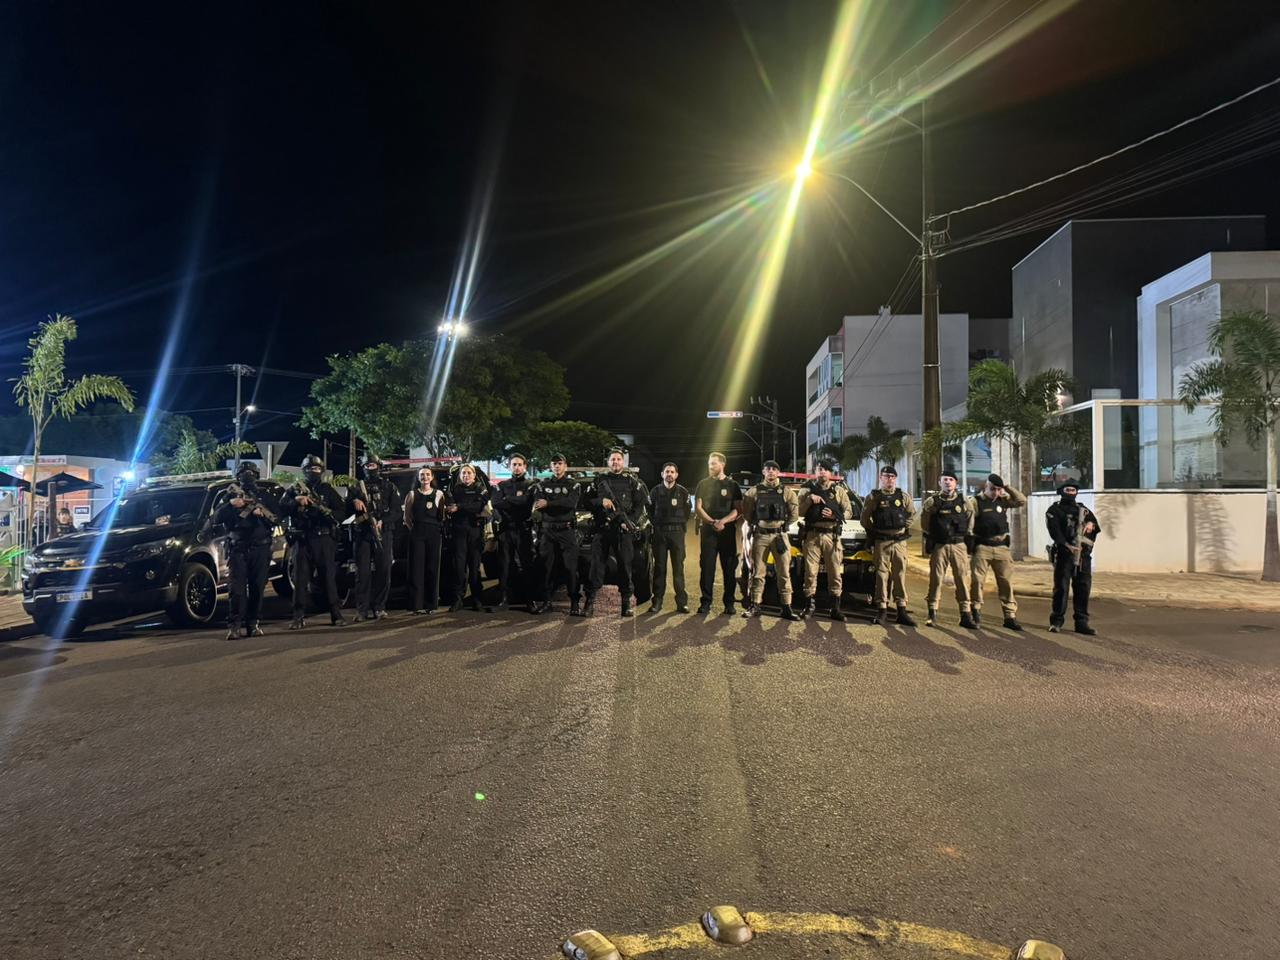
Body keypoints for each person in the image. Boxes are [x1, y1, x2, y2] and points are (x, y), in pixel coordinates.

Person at [281, 454, 349, 630]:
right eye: (310, 469)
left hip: (323, 539)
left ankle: (336, 614)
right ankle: (298, 616)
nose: (314, 471)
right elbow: (280, 508)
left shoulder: (327, 490)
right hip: (302, 539)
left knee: (328, 578)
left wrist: (328, 513)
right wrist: (295, 502)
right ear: (304, 471)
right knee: (300, 579)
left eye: (317, 468)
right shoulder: (294, 489)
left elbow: (341, 512)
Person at [216, 461, 279, 640]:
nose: (247, 476)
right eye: (243, 473)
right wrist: (231, 504)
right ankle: (235, 625)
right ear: (238, 477)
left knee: (257, 587)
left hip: (260, 547)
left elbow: (276, 518)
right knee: (236, 589)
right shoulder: (229, 495)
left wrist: (262, 514)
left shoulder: (265, 496)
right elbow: (216, 517)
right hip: (238, 547)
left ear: (256, 475)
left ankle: (253, 623)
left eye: (250, 473)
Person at [586, 448, 648, 618]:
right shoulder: (599, 480)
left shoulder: (631, 482)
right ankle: (590, 603)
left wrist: (630, 522)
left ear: (623, 462)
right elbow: (586, 501)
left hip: (622, 531)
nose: (616, 462)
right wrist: (601, 501)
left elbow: (640, 504)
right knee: (596, 567)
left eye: (618, 459)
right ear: (608, 462)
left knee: (625, 567)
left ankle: (626, 603)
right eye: (612, 459)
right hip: (602, 530)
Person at [967, 473, 1027, 630]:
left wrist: (1007, 488)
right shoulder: (975, 502)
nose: (996, 492)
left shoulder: (1003, 500)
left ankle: (1009, 616)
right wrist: (969, 545)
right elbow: (969, 524)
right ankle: (976, 610)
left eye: (998, 489)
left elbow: (1021, 501)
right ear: (986, 486)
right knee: (977, 581)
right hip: (982, 547)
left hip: (1001, 547)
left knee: (1005, 582)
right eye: (993, 489)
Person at [742, 459, 801, 620]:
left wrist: (783, 525)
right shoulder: (754, 491)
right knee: (758, 572)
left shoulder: (787, 492)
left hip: (779, 536)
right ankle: (755, 605)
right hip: (760, 535)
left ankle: (786, 607)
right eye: (768, 469)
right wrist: (756, 524)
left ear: (778, 472)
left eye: (774, 469)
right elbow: (747, 513)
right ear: (763, 472)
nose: (771, 472)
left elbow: (794, 515)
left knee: (784, 572)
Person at [797, 459, 853, 621]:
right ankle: (809, 606)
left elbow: (848, 511)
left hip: (831, 536)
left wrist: (835, 515)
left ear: (830, 473)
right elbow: (798, 511)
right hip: (812, 536)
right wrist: (809, 500)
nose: (822, 472)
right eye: (819, 469)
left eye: (826, 469)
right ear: (815, 472)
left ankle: (835, 608)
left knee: (835, 572)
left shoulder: (839, 491)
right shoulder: (806, 490)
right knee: (810, 572)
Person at [861, 465, 916, 626]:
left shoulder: (903, 496)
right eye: (886, 476)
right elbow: (865, 519)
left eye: (892, 476)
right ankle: (882, 609)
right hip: (882, 542)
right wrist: (875, 531)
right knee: (881, 575)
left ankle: (901, 610)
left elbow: (912, 514)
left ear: (895, 478)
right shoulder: (873, 497)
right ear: (881, 478)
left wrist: (902, 527)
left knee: (900, 575)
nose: (889, 479)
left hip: (899, 542)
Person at [920, 470, 976, 628]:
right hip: (940, 546)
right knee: (936, 579)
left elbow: (970, 520)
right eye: (945, 479)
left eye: (951, 479)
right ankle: (932, 613)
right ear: (940, 482)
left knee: (962, 579)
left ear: (955, 483)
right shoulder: (932, 502)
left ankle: (965, 614)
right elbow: (925, 523)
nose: (948, 482)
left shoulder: (964, 501)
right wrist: (934, 535)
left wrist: (968, 536)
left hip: (959, 545)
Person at [1045, 480, 1101, 635]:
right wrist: (1066, 545)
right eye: (1068, 490)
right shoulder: (1054, 510)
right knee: (1061, 589)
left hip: (1083, 556)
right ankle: (1056, 621)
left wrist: (1091, 525)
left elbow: (1095, 526)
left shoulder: (1083, 510)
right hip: (1064, 555)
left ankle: (1082, 623)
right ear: (1061, 491)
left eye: (1073, 490)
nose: (1071, 493)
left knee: (1083, 589)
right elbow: (1054, 531)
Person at [348, 453, 399, 622]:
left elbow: (396, 511)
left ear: (379, 466)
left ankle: (379, 607)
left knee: (384, 570)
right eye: (367, 465)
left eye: (373, 465)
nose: (370, 468)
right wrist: (353, 502)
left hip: (383, 533)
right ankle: (362, 610)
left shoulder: (389, 486)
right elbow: (344, 510)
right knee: (362, 573)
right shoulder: (356, 487)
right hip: (362, 534)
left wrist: (383, 521)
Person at [531, 454, 581, 615]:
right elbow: (538, 504)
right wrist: (554, 504)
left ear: (565, 466)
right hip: (547, 531)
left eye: (560, 463)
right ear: (551, 466)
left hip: (566, 531)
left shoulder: (573, 485)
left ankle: (574, 603)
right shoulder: (542, 485)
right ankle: (547, 602)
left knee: (570, 568)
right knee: (546, 568)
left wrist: (549, 503)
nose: (557, 466)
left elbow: (570, 503)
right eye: (554, 464)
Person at [694, 452, 742, 615]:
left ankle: (729, 603)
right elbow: (698, 508)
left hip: (727, 531)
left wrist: (723, 522)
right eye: (709, 463)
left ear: (722, 464)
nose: (710, 466)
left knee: (729, 569)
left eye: (713, 463)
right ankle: (705, 603)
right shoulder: (703, 484)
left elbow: (738, 509)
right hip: (708, 532)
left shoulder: (733, 485)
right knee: (707, 568)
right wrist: (712, 522)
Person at [492, 453, 538, 612]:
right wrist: (516, 500)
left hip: (523, 530)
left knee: (527, 564)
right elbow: (496, 503)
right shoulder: (502, 484)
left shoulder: (531, 485)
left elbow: (527, 502)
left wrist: (508, 499)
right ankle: (503, 599)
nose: (517, 467)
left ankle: (530, 600)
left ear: (525, 466)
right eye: (514, 464)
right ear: (509, 466)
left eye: (519, 464)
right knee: (504, 564)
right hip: (506, 530)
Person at [446, 463, 490, 612]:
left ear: (474, 475)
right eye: (463, 473)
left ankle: (477, 599)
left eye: (469, 473)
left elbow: (478, 507)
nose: (466, 475)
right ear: (460, 475)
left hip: (475, 530)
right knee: (459, 567)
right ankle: (458, 600)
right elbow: (450, 505)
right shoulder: (455, 489)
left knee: (474, 567)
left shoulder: (480, 488)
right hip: (458, 531)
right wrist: (466, 506)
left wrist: (459, 507)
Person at [648, 461, 691, 614]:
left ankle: (681, 603)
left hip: (677, 534)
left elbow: (687, 511)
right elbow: (649, 510)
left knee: (678, 568)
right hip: (660, 534)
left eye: (672, 472)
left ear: (676, 475)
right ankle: (657, 602)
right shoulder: (655, 491)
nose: (669, 474)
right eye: (667, 472)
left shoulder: (683, 492)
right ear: (662, 474)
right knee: (660, 568)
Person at [402, 466, 444, 614]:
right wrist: (414, 530)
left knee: (432, 568)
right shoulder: (412, 494)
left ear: (432, 477)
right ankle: (416, 605)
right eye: (422, 475)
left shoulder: (439, 494)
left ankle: (431, 605)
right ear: (418, 478)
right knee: (416, 569)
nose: (425, 477)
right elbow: (407, 517)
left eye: (427, 474)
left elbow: (441, 516)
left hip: (434, 534)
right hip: (417, 534)